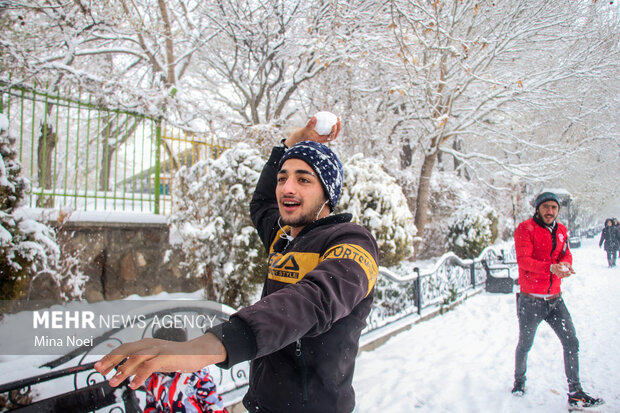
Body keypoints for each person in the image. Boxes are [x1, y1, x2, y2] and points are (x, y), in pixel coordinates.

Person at [94, 116, 380, 413]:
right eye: (283, 178)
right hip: (261, 404)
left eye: (303, 179)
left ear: (328, 192)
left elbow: (315, 299)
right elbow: (261, 204)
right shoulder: (283, 238)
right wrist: (288, 146)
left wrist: (211, 346)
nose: (287, 189)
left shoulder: (352, 242)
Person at [511, 192, 603, 408]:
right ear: (538, 209)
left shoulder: (561, 230)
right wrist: (550, 268)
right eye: (546, 207)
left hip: (555, 299)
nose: (550, 211)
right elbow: (524, 261)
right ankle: (519, 383)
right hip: (531, 300)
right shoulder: (525, 229)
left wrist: (565, 265)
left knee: (571, 341)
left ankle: (575, 391)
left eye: (553, 207)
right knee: (525, 344)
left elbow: (566, 253)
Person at [142, 327, 227, 413]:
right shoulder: (152, 380)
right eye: (158, 354)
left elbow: (214, 404)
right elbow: (151, 404)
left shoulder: (194, 376)